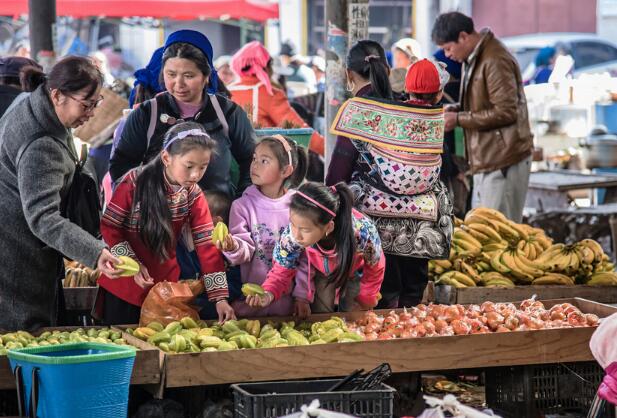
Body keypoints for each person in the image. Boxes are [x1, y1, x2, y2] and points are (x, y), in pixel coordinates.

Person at [327, 42, 453, 309]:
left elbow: (337, 176)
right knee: (413, 292)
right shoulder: (417, 111)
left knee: (385, 293)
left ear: (350, 74)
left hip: (376, 223)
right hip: (422, 223)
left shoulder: (361, 112)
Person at [0, 56, 120, 330]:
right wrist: (96, 252)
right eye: (86, 104)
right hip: (17, 253)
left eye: (96, 103)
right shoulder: (42, 145)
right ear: (57, 95)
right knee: (23, 337)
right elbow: (43, 219)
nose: (91, 114)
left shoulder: (31, 102)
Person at [98, 122, 235, 325]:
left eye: (203, 167)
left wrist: (220, 298)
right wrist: (132, 263)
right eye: (189, 166)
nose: (196, 175)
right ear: (166, 158)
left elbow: (207, 245)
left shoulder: (193, 194)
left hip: (166, 289)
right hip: (123, 283)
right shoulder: (133, 182)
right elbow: (110, 227)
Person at [109, 29, 256, 199]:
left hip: (217, 219)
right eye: (171, 74)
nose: (179, 84)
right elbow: (121, 166)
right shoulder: (146, 114)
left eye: (188, 75)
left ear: (206, 76)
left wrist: (241, 203)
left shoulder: (228, 113)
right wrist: (143, 204)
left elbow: (251, 161)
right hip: (158, 218)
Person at [432, 12, 533, 222]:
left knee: (500, 234)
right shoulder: (476, 57)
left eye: (448, 48)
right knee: (484, 231)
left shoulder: (495, 59)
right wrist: (455, 109)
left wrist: (458, 119)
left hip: (503, 159)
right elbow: (483, 102)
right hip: (487, 159)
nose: (448, 55)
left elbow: (506, 111)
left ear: (463, 37)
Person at [247, 182, 385, 314]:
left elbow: (375, 265)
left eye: (305, 230)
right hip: (322, 274)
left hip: (355, 273)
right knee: (321, 316)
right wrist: (268, 294)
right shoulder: (292, 236)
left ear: (328, 227)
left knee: (356, 316)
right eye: (293, 224)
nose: (296, 235)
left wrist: (367, 295)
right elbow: (281, 271)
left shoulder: (362, 232)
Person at [217, 135, 310, 317]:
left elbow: (305, 257)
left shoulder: (298, 206)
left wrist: (302, 296)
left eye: (264, 160)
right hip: (249, 305)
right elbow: (244, 251)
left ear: (286, 171)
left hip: (287, 307)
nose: (255, 165)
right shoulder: (242, 206)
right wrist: (233, 246)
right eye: (254, 158)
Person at [228, 41, 325, 157]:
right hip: (258, 165)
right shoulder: (269, 93)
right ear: (267, 66)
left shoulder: (226, 90)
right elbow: (298, 130)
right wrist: (328, 149)